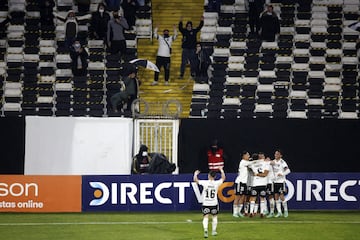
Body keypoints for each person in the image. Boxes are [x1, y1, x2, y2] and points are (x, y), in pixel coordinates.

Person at [194, 166, 225, 238]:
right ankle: (214, 231)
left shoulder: (205, 183)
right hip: (214, 203)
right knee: (214, 216)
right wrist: (221, 170)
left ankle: (205, 230)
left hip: (206, 203)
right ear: (215, 176)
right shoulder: (217, 183)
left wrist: (195, 174)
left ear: (209, 175)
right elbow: (223, 178)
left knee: (206, 216)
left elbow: (196, 180)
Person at [270, 149, 290, 218]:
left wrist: (282, 174)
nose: (276, 155)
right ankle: (279, 212)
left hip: (281, 182)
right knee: (276, 196)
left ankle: (286, 211)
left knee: (282, 196)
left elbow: (288, 170)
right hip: (275, 182)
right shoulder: (273, 162)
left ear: (280, 155)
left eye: (277, 154)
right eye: (275, 154)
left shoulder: (282, 162)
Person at [248, 153, 269, 218]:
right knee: (262, 198)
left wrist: (256, 174)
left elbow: (248, 165)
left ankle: (251, 212)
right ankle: (262, 213)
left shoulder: (252, 164)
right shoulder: (266, 163)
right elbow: (265, 174)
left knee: (253, 198)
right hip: (263, 183)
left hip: (255, 184)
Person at [233, 151, 252, 217]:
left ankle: (239, 212)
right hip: (240, 182)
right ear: (243, 156)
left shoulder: (247, 162)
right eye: (247, 155)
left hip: (245, 183)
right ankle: (235, 213)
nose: (249, 156)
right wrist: (261, 161)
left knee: (243, 197)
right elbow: (252, 163)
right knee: (237, 197)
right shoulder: (243, 162)